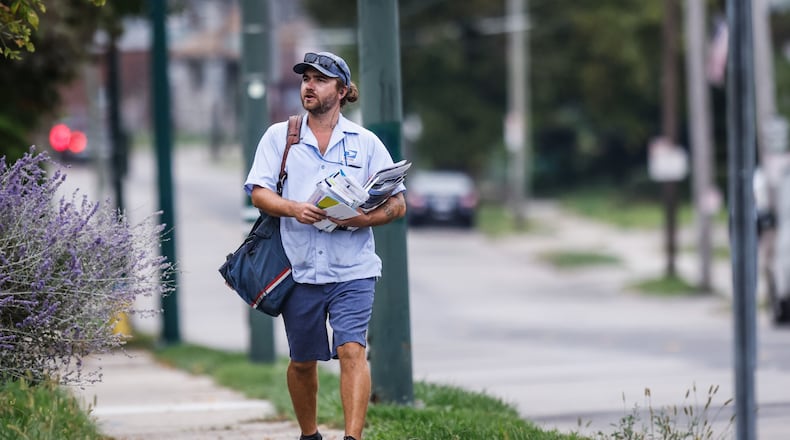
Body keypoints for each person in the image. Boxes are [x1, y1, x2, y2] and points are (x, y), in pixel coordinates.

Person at [243, 51, 407, 440]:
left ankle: (353, 437)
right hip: (298, 268)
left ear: (343, 90)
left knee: (353, 350)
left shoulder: (365, 143)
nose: (309, 86)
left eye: (319, 79)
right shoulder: (279, 137)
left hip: (353, 267)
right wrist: (294, 208)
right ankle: (310, 434)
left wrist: (364, 218)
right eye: (305, 79)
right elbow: (258, 194)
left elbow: (397, 202)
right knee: (302, 362)